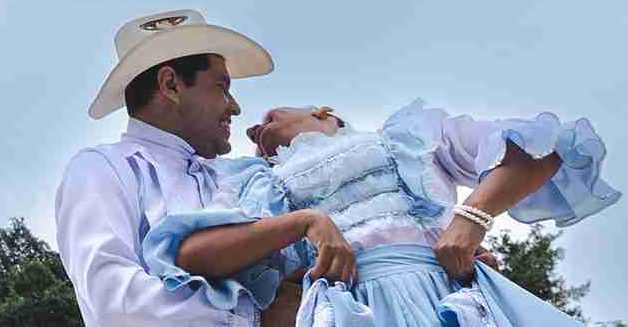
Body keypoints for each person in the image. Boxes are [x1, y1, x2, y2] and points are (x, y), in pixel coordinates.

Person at [142, 101, 621, 326]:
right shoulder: (254, 187)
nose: (252, 129)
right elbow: (188, 254)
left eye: (269, 117)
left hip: (449, 301)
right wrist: (301, 223)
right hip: (345, 314)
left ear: (326, 114)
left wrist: (470, 220)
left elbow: (545, 147)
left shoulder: (409, 139)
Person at [55, 9, 304, 326]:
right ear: (171, 84)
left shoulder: (237, 179)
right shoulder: (102, 169)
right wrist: (255, 320)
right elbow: (114, 300)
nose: (235, 106)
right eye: (221, 86)